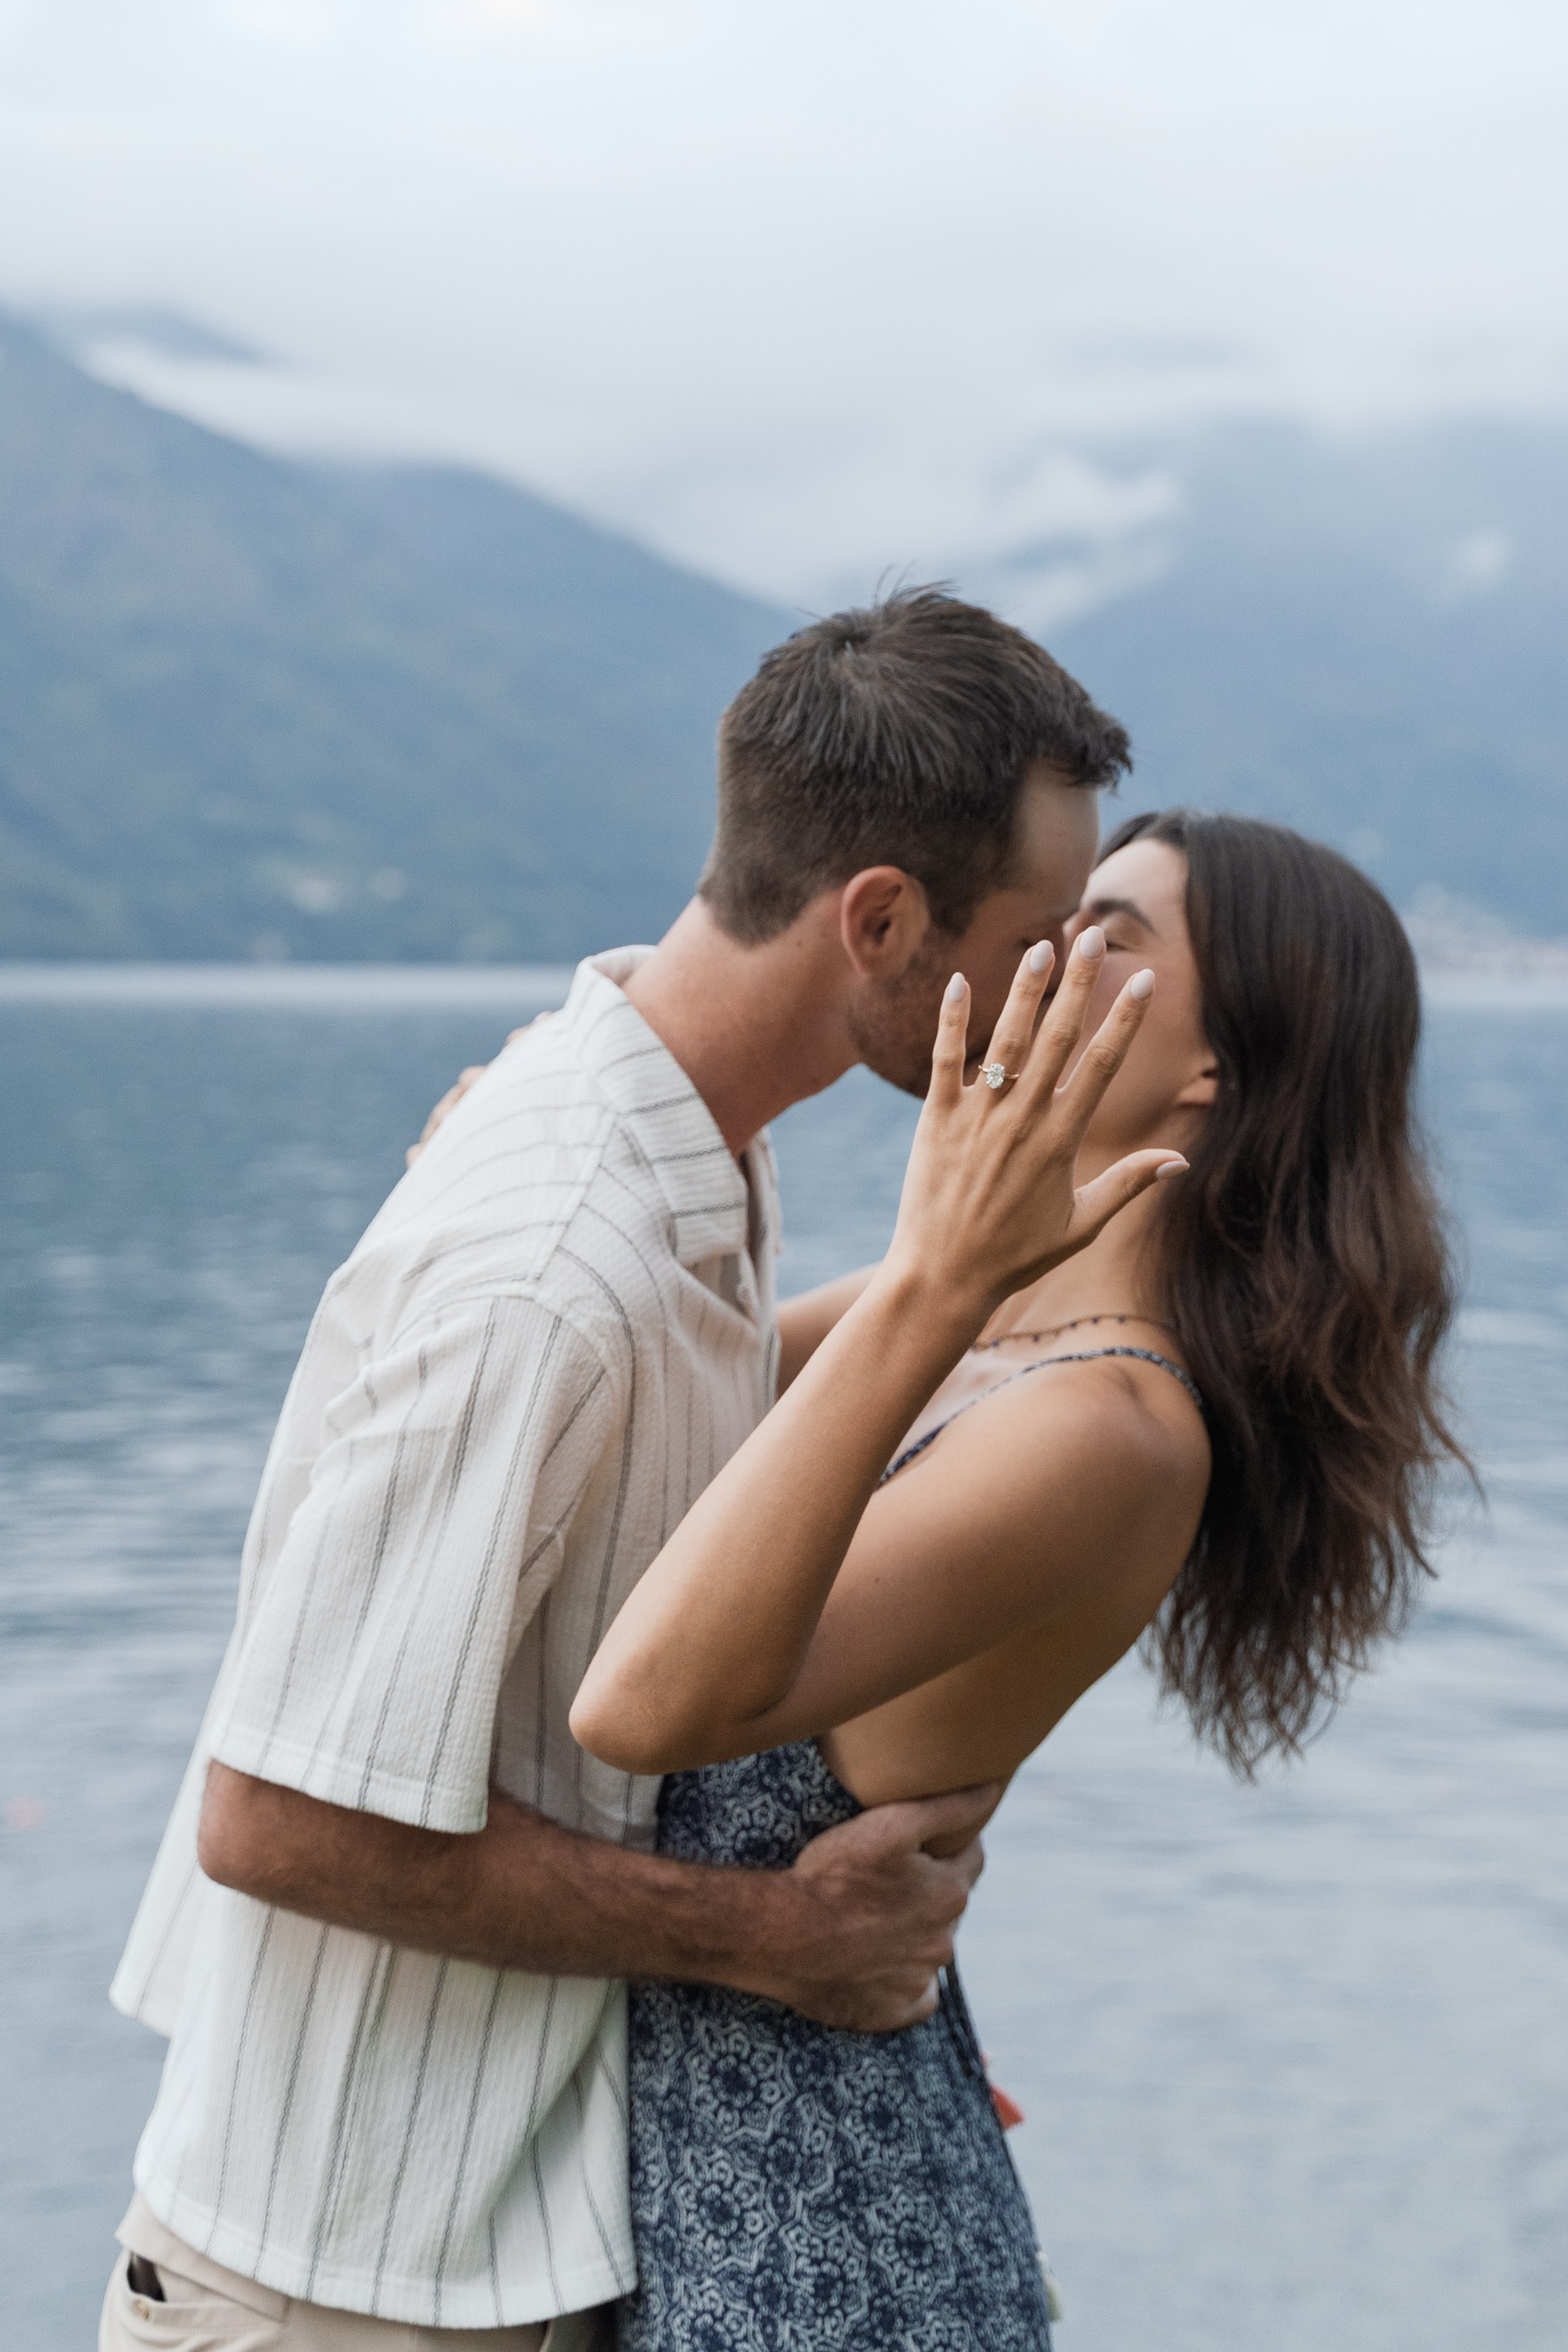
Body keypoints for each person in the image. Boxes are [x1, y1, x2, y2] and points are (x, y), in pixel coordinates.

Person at [100, 589, 1148, 2351]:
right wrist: (770, 1937)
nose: (1059, 995)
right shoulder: (554, 1259)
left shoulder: (684, 1159)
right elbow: (273, 1816)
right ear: (880, 920)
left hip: (483, 2255)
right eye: (1041, 939)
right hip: (341, 2291)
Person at [569, 808, 1468, 2351]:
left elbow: (643, 1708)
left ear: (1213, 1072)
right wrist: (527, 1154)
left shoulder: (1108, 1428)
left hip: (823, 2258)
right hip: (722, 2203)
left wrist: (926, 1269)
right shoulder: (983, 1325)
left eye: (1111, 933)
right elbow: (634, 1370)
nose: (1045, 947)